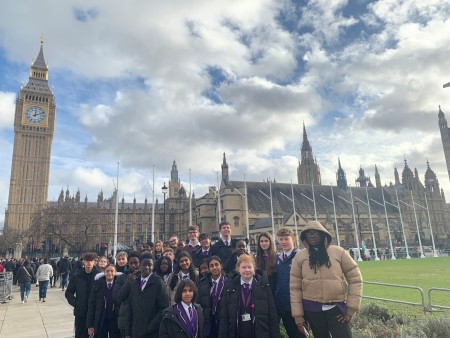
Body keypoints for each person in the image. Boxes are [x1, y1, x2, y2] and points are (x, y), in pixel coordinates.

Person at [290, 221, 363, 338]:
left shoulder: (339, 252)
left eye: (315, 233)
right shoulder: (300, 256)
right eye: (308, 233)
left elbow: (355, 279)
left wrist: (350, 309)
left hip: (336, 308)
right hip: (312, 310)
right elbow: (295, 288)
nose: (312, 236)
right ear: (304, 237)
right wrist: (298, 317)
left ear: (323, 234)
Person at [219, 254, 280, 338]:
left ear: (254, 268)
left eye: (249, 267)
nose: (247, 270)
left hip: (260, 332)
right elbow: (224, 317)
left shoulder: (264, 286)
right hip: (237, 331)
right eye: (243, 267)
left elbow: (272, 315)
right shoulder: (230, 288)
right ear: (238, 269)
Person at [125, 257, 169, 338]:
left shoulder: (159, 283)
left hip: (151, 333)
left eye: (150, 265)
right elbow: (130, 308)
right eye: (144, 265)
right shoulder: (135, 283)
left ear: (153, 266)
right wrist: (127, 332)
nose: (147, 267)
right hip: (135, 332)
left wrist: (150, 328)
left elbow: (164, 308)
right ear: (140, 266)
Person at [274, 227, 303, 338]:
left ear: (293, 239)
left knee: (300, 335)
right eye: (281, 239)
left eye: (286, 239)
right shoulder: (279, 259)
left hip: (297, 305)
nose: (283, 242)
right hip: (283, 305)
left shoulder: (300, 256)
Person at [65, 252, 99, 338]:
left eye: (91, 261)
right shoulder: (76, 276)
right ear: (83, 262)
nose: (89, 263)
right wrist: (76, 303)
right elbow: (68, 293)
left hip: (96, 312)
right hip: (81, 312)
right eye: (87, 261)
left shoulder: (99, 276)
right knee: (80, 334)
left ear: (94, 261)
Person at [113, 251, 141, 338]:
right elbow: (118, 297)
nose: (133, 265)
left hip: (141, 320)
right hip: (125, 319)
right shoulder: (121, 278)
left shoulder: (146, 277)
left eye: (136, 263)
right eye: (131, 263)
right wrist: (128, 281)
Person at [87, 264, 121, 338]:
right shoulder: (97, 284)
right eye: (107, 271)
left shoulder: (120, 285)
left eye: (112, 271)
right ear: (104, 272)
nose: (109, 273)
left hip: (115, 320)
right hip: (101, 319)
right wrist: (90, 325)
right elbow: (91, 305)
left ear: (115, 273)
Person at [197, 256, 227, 338]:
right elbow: (198, 303)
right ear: (209, 268)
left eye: (216, 265)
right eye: (211, 266)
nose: (214, 267)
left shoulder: (228, 282)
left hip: (222, 321)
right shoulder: (203, 282)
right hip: (208, 321)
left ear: (221, 266)